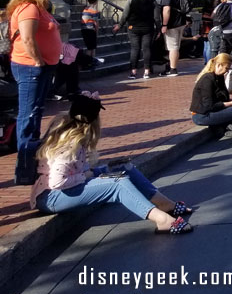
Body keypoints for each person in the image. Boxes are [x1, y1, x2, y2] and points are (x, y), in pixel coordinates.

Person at [31, 91, 195, 234]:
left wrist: (90, 173)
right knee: (117, 183)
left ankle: (165, 204)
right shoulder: (68, 146)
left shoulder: (72, 134)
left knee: (122, 167)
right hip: (52, 197)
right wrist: (84, 176)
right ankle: (162, 220)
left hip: (67, 186)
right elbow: (57, 182)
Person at [9, 0, 62, 184]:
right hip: (30, 67)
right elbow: (27, 38)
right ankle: (24, 169)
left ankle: (32, 163)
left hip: (43, 66)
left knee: (36, 112)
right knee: (29, 115)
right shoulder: (28, 8)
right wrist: (38, 61)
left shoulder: (39, 9)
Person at [113, 0, 156, 80]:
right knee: (147, 49)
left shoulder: (132, 0)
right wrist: (159, 28)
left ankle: (133, 72)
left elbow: (125, 15)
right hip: (148, 28)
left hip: (133, 28)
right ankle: (146, 72)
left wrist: (119, 25)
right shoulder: (153, 1)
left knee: (134, 49)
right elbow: (157, 17)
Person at [158, 0, 188, 77]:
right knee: (174, 46)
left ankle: (173, 69)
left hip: (172, 23)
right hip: (181, 22)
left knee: (173, 47)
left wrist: (164, 24)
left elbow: (166, 9)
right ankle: (169, 67)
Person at [80, 0, 100, 66]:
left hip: (84, 29)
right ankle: (90, 61)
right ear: (96, 1)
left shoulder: (85, 9)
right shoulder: (94, 11)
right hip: (91, 30)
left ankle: (89, 61)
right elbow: (96, 23)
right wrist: (97, 32)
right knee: (91, 47)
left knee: (89, 46)